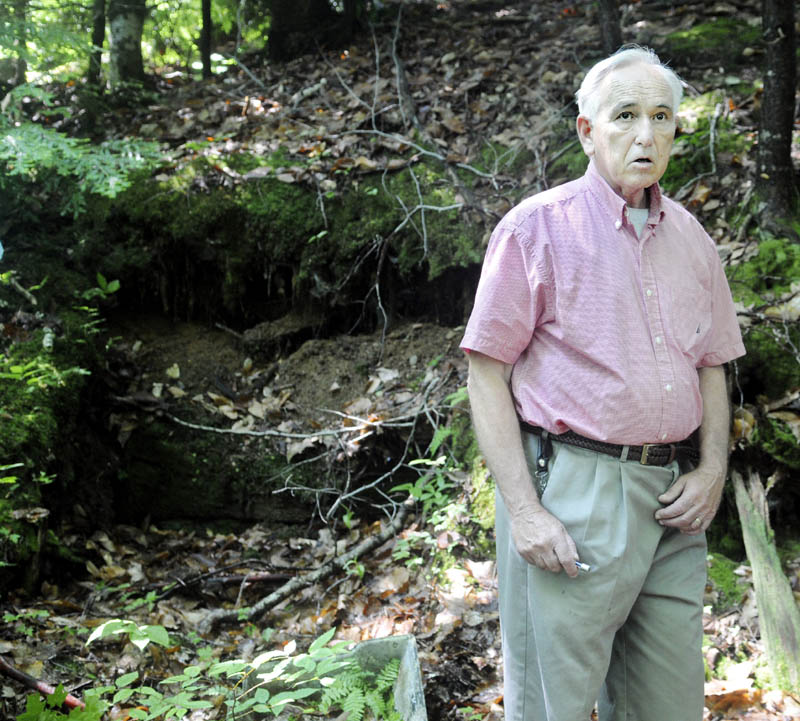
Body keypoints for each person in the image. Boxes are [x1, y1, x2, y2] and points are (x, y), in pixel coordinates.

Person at [461, 46, 745, 721]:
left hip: (674, 504)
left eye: (661, 117)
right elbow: (484, 373)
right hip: (572, 493)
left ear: (677, 131)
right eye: (625, 116)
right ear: (587, 131)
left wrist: (711, 471)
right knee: (552, 707)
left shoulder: (695, 242)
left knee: (669, 708)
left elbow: (712, 365)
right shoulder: (535, 229)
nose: (645, 135)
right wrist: (526, 510)